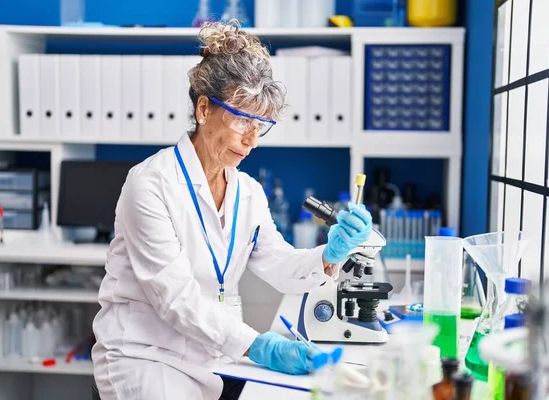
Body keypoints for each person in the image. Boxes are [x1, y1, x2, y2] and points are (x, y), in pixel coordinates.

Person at [91, 20, 373, 400]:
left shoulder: (248, 192)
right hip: (145, 358)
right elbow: (175, 298)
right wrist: (260, 346)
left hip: (212, 357)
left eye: (261, 126)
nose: (252, 141)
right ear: (204, 109)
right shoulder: (150, 184)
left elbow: (279, 265)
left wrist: (329, 253)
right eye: (243, 120)